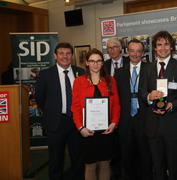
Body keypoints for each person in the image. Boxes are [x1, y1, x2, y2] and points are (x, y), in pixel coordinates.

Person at [141, 30, 177, 180]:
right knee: (158, 170)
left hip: (173, 126)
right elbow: (142, 93)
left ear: (171, 47)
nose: (163, 48)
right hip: (153, 127)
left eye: (166, 44)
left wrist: (171, 105)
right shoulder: (148, 68)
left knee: (175, 169)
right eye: (159, 45)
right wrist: (149, 97)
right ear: (155, 48)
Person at [35, 42, 85, 180]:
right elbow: (39, 97)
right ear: (55, 56)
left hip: (77, 122)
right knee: (56, 160)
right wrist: (51, 111)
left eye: (68, 53)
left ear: (72, 56)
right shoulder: (45, 75)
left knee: (78, 158)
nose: (65, 56)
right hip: (56, 122)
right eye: (61, 53)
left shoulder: (80, 73)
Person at [71, 48, 121, 180]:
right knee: (90, 166)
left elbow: (116, 104)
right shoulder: (79, 82)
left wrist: (114, 123)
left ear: (102, 63)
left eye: (98, 61)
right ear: (87, 63)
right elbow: (75, 107)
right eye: (92, 61)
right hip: (87, 131)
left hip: (106, 130)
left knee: (105, 164)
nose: (95, 64)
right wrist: (80, 127)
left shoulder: (110, 81)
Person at [114, 39, 152, 180]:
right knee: (127, 158)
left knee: (145, 158)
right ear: (127, 52)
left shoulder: (150, 69)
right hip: (125, 120)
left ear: (143, 53)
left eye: (138, 51)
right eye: (132, 50)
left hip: (145, 120)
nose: (135, 54)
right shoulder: (119, 73)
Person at [104, 37, 129, 180]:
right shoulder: (104, 66)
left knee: (128, 145)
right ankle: (117, 173)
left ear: (121, 48)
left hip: (127, 110)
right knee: (113, 147)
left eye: (115, 47)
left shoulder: (129, 61)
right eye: (109, 48)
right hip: (109, 111)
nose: (112, 50)